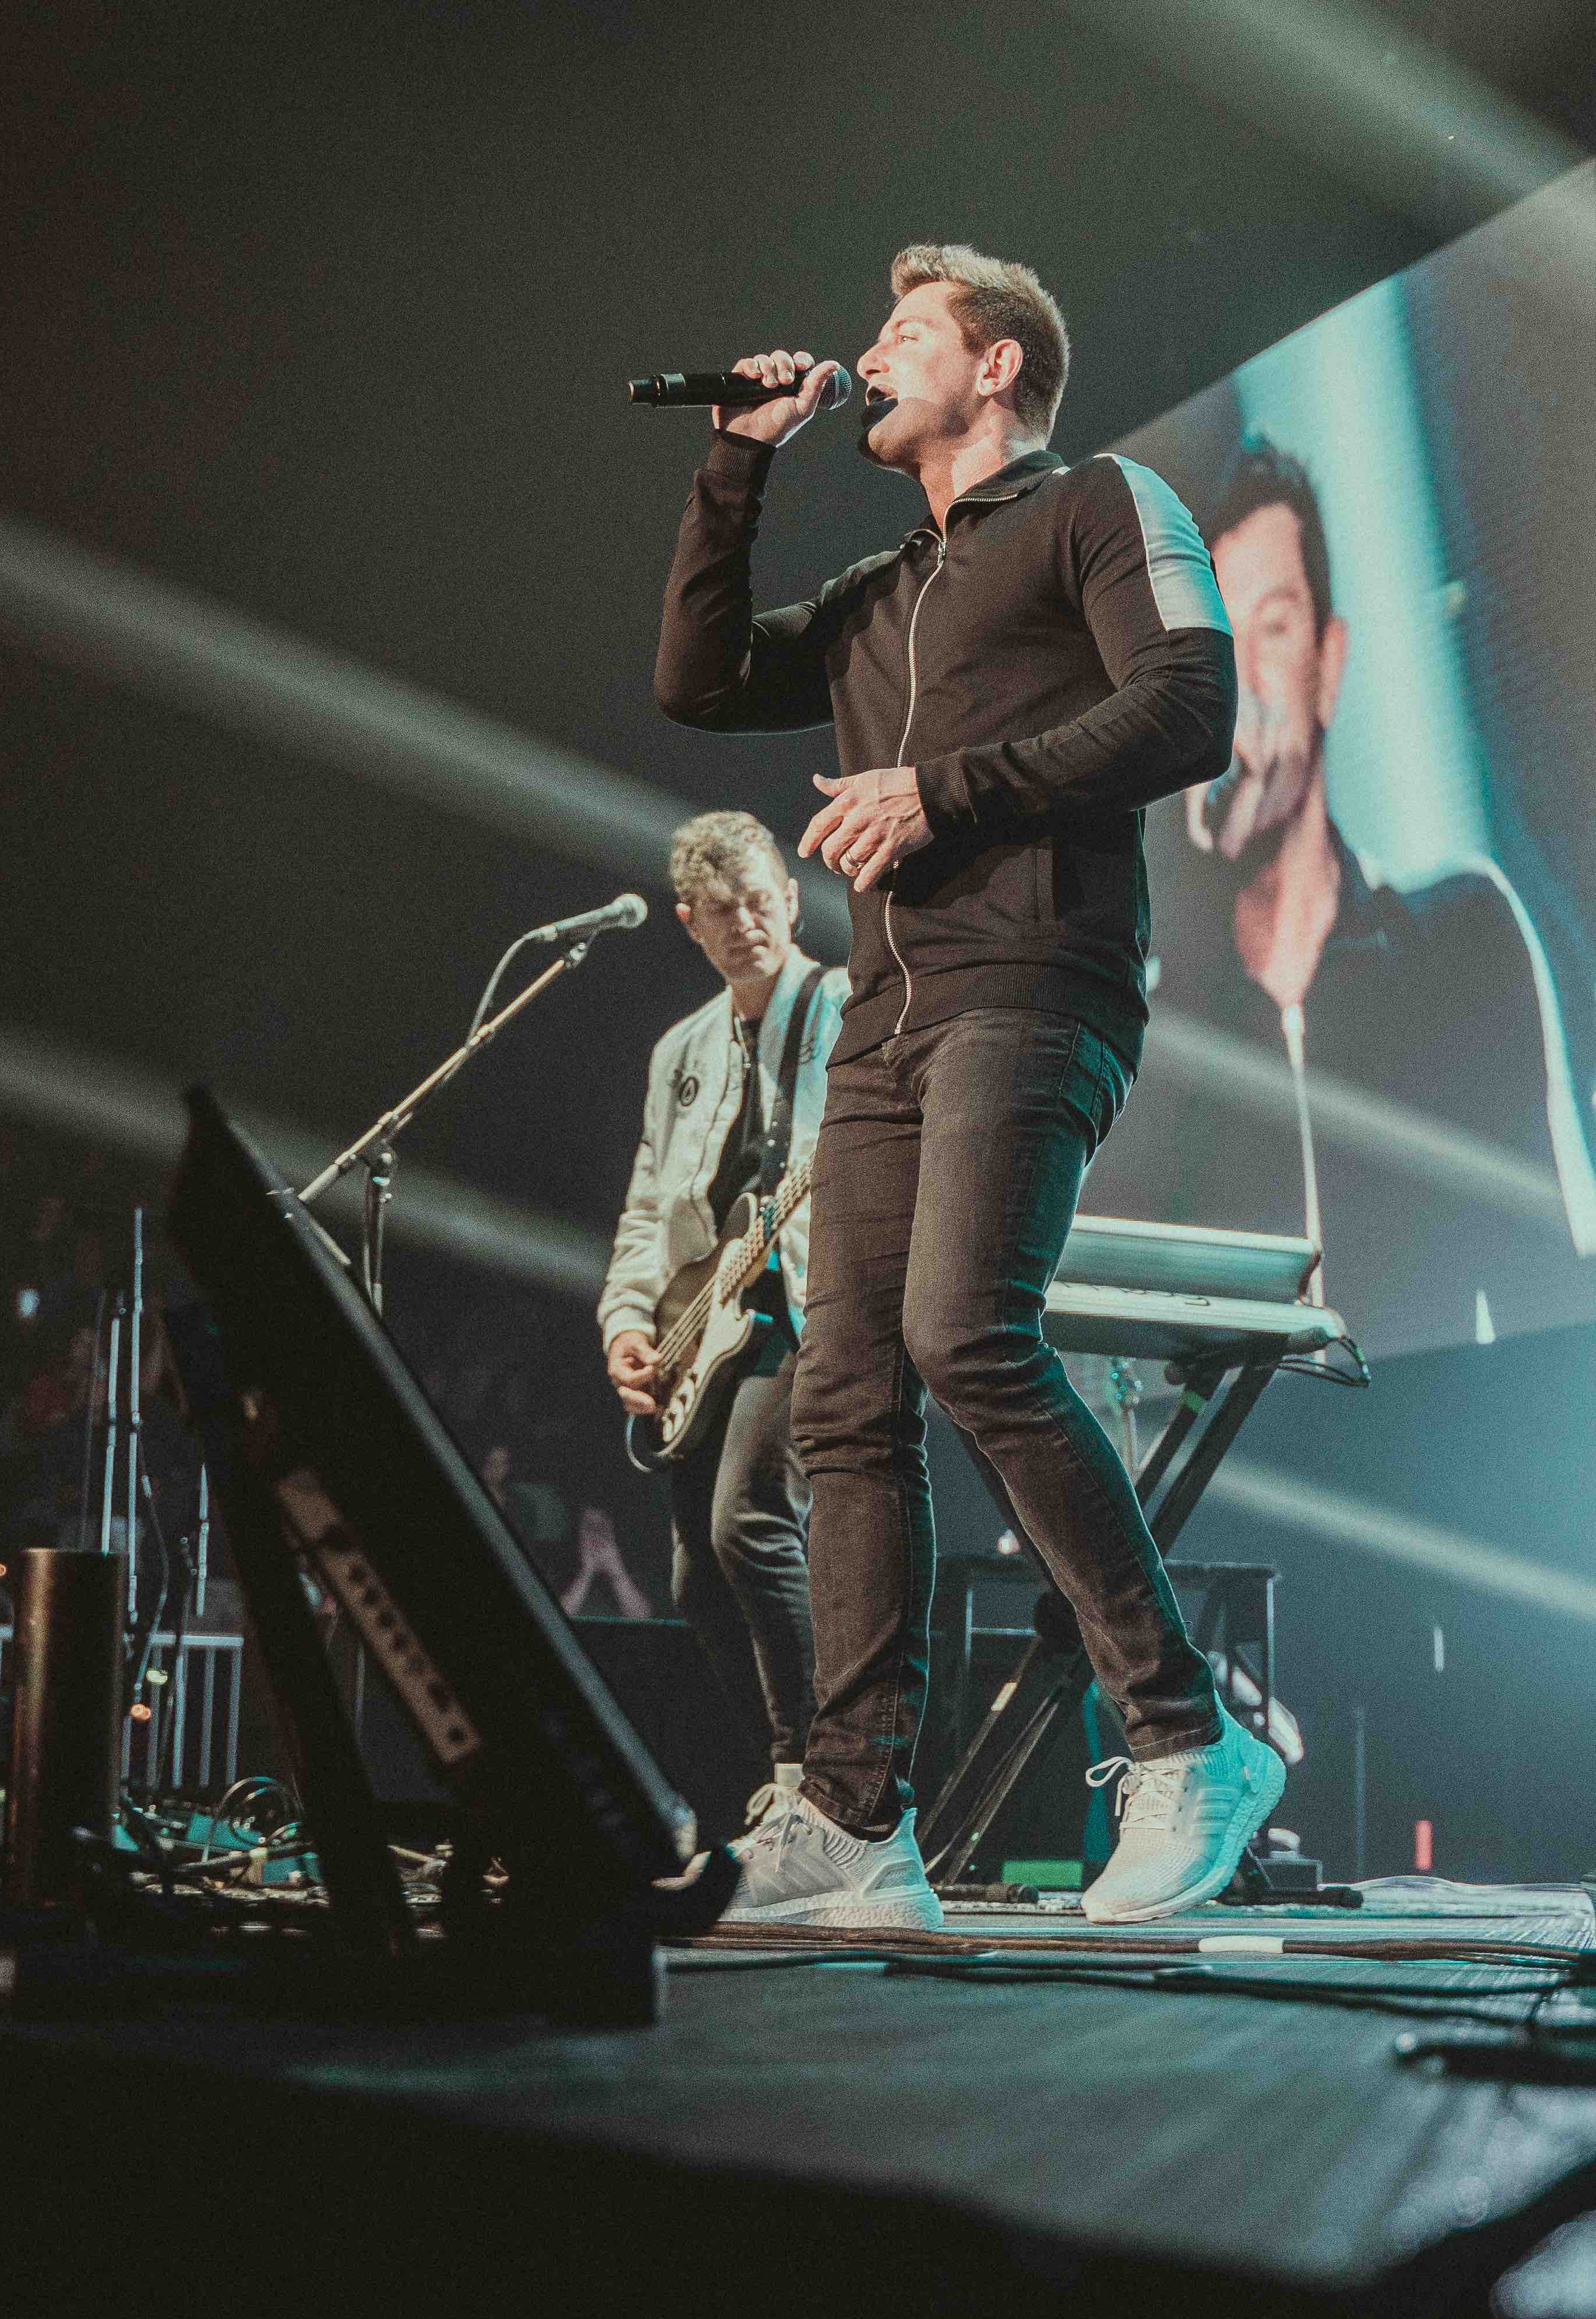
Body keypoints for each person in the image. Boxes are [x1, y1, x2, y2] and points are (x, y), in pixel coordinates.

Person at [653, 243, 1281, 1928]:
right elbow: (695, 682)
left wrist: (945, 792)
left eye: (901, 332)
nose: (864, 356)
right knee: (844, 1394)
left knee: (959, 1333)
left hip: (1036, 977)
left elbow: (1193, 701)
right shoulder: (877, 595)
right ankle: (858, 1820)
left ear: (995, 368)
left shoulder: (1098, 505)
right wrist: (735, 461)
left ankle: (1185, 1734)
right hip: (886, 1018)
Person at [1107, 436, 1596, 1339]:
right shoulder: (1149, 1034)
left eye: (1273, 631)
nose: (1244, 686)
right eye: (1212, 646)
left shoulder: (1462, 937)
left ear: (1327, 666)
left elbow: (1550, 1276)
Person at [598, 810, 844, 1814]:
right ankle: (767, 1786)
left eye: (761, 901)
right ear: (689, 922)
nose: (746, 923)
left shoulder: (849, 1006)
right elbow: (652, 1201)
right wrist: (627, 1321)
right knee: (696, 1575)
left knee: (749, 1524)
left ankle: (816, 1781)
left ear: (789, 898)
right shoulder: (681, 1051)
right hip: (708, 1324)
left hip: (810, 1309)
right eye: (723, 911)